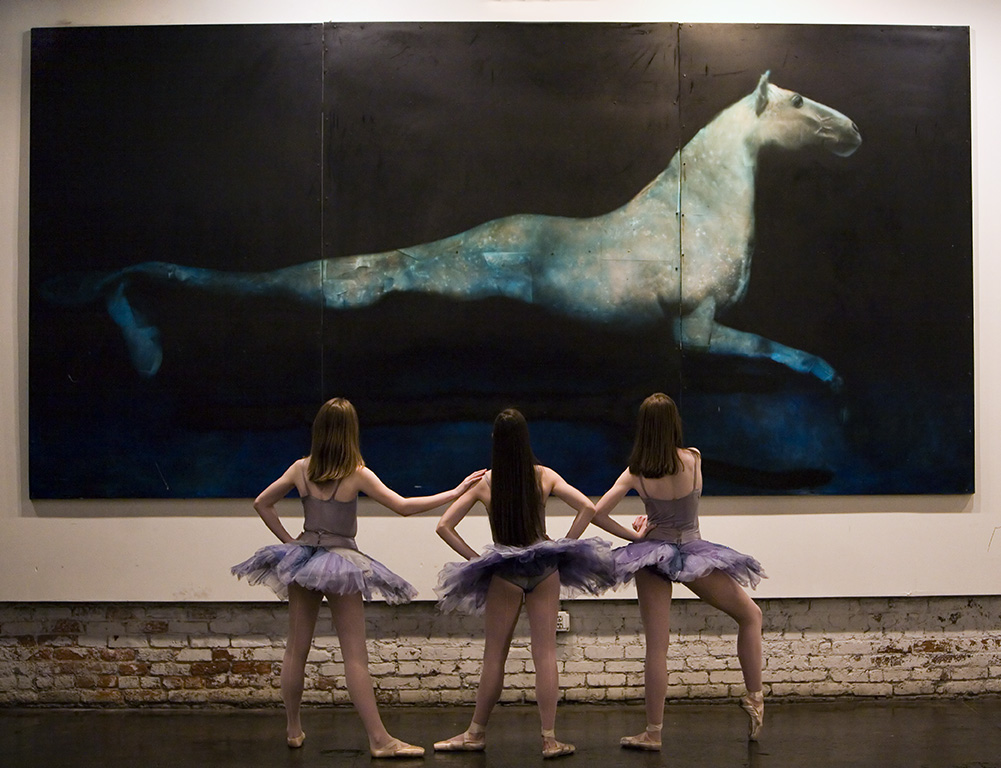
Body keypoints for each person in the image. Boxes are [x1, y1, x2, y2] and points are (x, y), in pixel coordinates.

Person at [232, 397, 484, 758]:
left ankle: (293, 729)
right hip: (341, 562)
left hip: (303, 557)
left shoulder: (301, 468)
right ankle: (379, 740)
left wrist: (290, 543)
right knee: (355, 656)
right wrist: (455, 492)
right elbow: (403, 506)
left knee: (295, 649)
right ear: (351, 432)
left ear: (319, 430)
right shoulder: (356, 473)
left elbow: (262, 503)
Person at [432, 408, 615, 759]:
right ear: (525, 440)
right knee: (545, 654)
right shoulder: (544, 476)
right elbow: (587, 508)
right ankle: (549, 739)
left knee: (494, 656)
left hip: (505, 572)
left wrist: (477, 560)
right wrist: (565, 544)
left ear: (495, 441)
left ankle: (475, 734)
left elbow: (443, 526)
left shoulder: (486, 482)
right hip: (545, 567)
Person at [591, 393, 767, 750]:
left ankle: (653, 732)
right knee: (751, 616)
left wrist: (635, 535)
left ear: (644, 428)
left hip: (652, 554)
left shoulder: (637, 473)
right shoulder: (694, 458)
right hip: (693, 551)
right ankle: (755, 697)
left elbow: (596, 513)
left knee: (657, 647)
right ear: (674, 424)